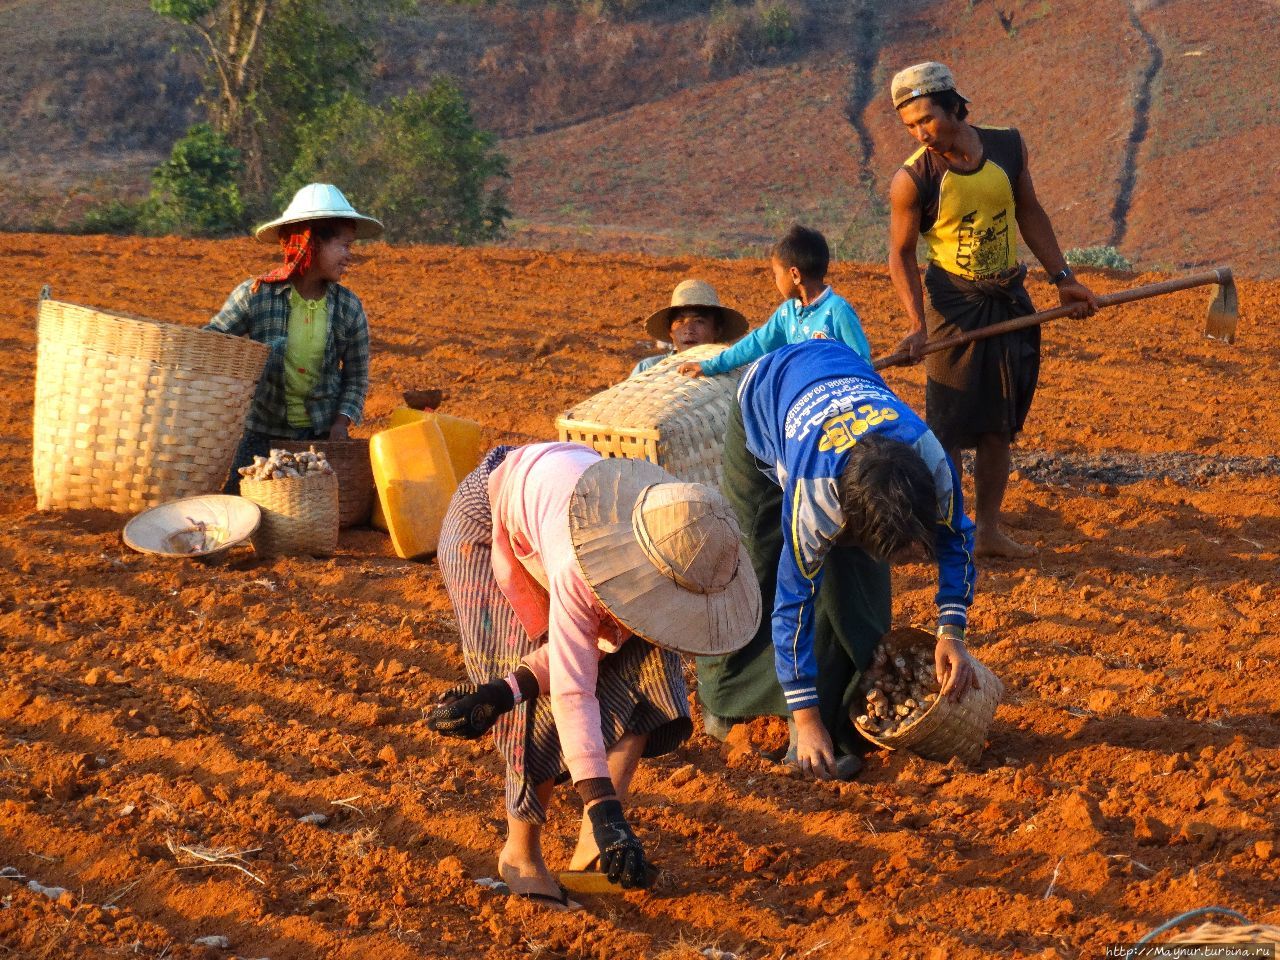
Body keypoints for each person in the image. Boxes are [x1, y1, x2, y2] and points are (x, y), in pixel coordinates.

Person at [427, 442, 760, 908]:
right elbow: (571, 687)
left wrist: (502, 692)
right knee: (538, 709)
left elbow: (597, 649)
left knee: (651, 665)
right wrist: (509, 693)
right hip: (489, 524)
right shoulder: (579, 565)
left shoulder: (680, 529)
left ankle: (593, 849)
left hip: (560, 505)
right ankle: (520, 856)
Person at [697, 339, 979, 780]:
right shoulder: (815, 499)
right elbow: (794, 604)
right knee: (757, 566)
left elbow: (956, 540)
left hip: (838, 381)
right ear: (845, 517)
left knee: (858, 583)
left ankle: (840, 715)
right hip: (765, 403)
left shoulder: (932, 464)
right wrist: (806, 725)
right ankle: (729, 703)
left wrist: (952, 631)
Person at [886, 62, 1098, 558]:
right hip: (952, 306)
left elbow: (1029, 209)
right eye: (911, 126)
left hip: (1007, 297)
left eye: (927, 119)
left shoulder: (1006, 146)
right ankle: (946, 529)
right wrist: (917, 325)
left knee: (998, 423)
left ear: (955, 106)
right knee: (949, 425)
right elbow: (900, 254)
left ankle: (988, 532)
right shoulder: (913, 178)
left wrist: (1064, 280)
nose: (921, 133)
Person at [206, 183, 381, 493]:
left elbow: (356, 378)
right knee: (240, 505)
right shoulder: (255, 296)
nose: (349, 256)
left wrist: (340, 425)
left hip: (319, 441)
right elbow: (211, 345)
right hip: (261, 436)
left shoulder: (348, 307)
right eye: (344, 246)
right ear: (311, 243)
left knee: (320, 511)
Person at [678, 225, 871, 379]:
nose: (775, 281)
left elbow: (862, 362)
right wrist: (711, 366)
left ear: (794, 274)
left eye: (777, 274)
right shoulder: (788, 313)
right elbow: (757, 343)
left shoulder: (837, 310)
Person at [630, 279, 748, 376]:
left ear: (716, 330)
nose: (688, 330)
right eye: (680, 321)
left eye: (699, 321)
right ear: (670, 331)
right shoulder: (647, 369)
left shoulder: (733, 372)